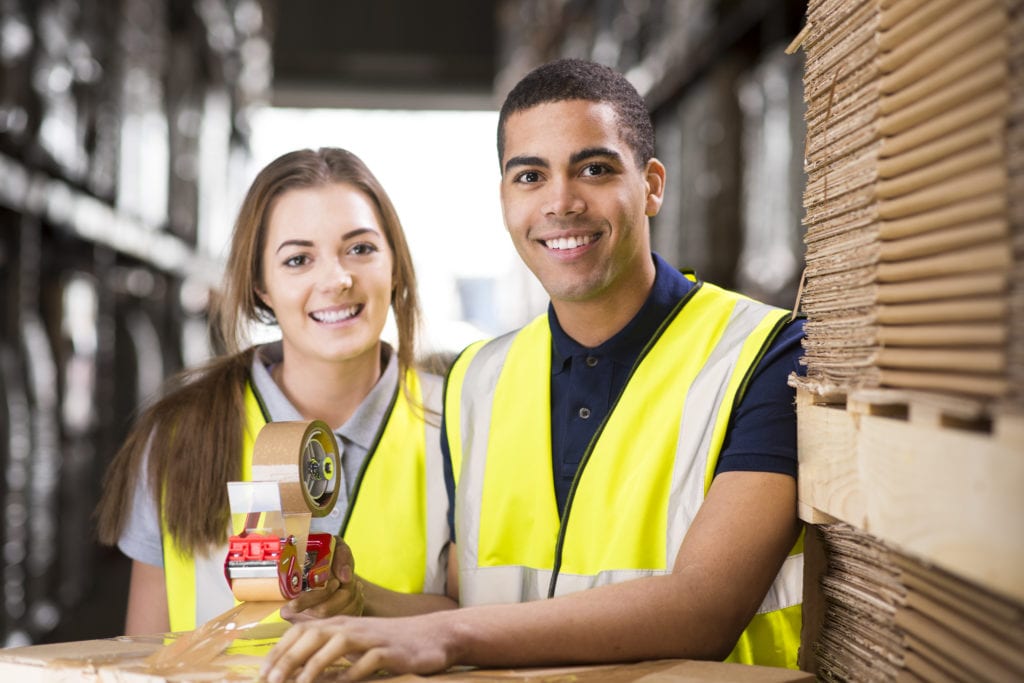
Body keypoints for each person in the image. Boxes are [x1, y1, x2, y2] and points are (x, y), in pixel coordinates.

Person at [260, 59, 804, 683]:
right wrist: (362, 600)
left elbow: (704, 608)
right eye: (530, 176)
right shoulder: (476, 382)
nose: (561, 202)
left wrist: (442, 636)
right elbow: (475, 606)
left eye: (594, 169)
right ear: (505, 199)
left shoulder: (764, 353)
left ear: (652, 185)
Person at [96, 148, 457, 635]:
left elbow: (484, 623)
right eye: (298, 259)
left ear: (395, 264)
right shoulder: (178, 435)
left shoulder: (459, 421)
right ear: (262, 286)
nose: (336, 279)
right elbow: (141, 657)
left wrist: (362, 602)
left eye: (361, 248)